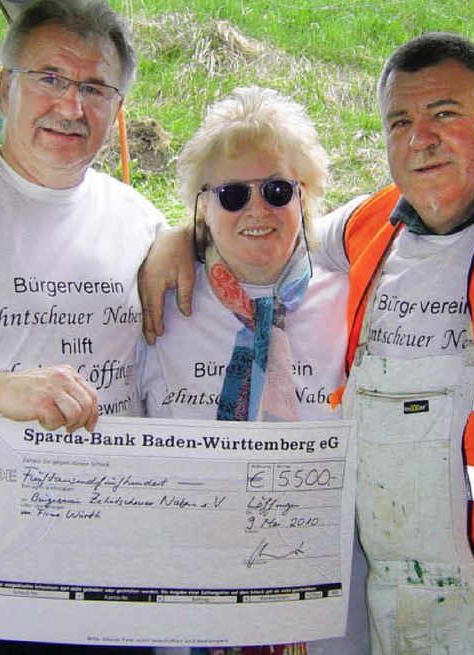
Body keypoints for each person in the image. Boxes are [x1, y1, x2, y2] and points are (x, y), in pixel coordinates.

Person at [138, 33, 474, 654]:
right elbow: (257, 232)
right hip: (394, 601)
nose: (421, 138)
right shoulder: (372, 229)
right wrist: (177, 238)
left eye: (444, 113)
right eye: (400, 121)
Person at [0, 0, 165, 651]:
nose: (72, 106)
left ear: (117, 108)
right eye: (51, 79)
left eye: (94, 87)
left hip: (108, 587)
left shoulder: (143, 224)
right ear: (6, 88)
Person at [136, 86, 369, 655]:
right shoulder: (156, 300)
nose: (257, 210)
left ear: (306, 196)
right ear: (202, 207)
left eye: (277, 189)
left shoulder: (355, 295)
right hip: (192, 600)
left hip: (329, 611)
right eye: (233, 194)